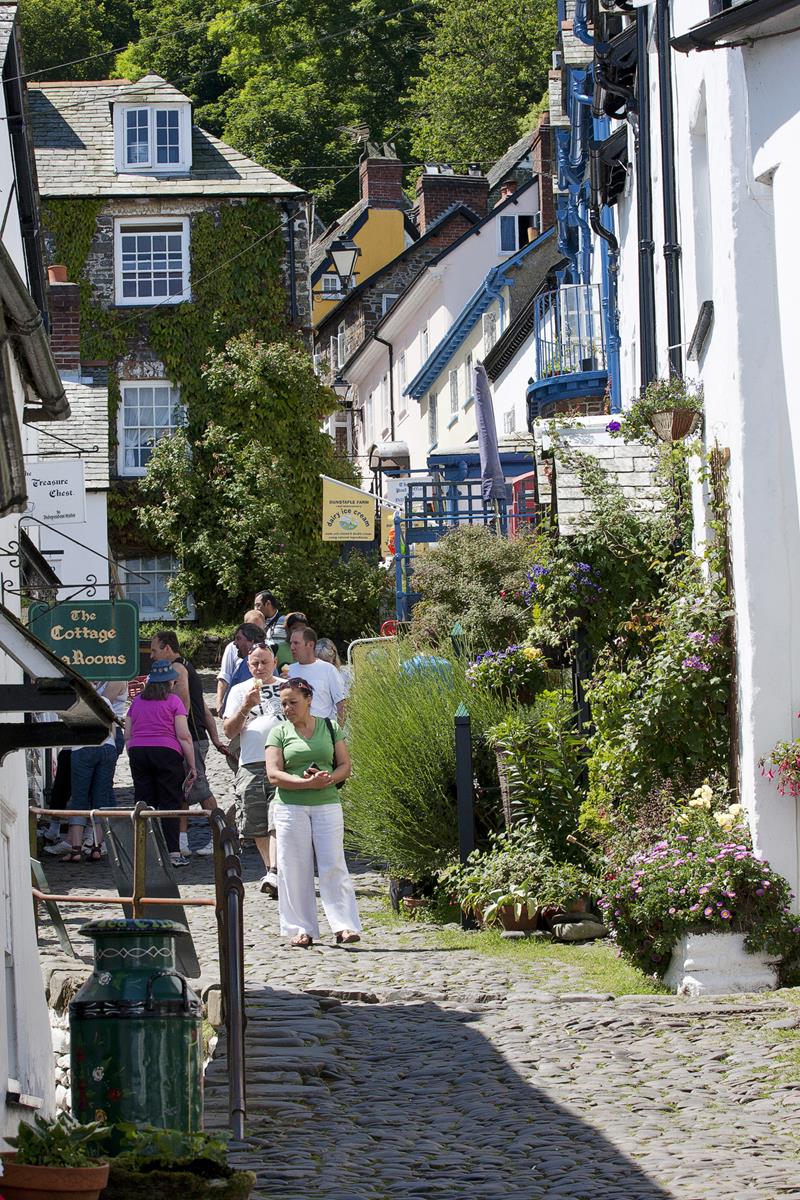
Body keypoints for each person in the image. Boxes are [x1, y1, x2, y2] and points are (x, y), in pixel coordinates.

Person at [266, 677, 361, 947]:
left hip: (327, 803)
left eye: (293, 702)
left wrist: (327, 778)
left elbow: (345, 765)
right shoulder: (279, 732)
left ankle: (343, 926)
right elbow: (273, 774)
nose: (287, 708)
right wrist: (306, 783)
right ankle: (300, 928)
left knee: (333, 863)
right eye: (283, 703)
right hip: (290, 806)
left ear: (309, 699)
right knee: (293, 867)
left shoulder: (330, 727)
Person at [150, 631, 228, 858]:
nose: (152, 656)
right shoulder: (186, 667)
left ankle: (222, 836)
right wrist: (214, 738)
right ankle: (182, 841)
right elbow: (203, 707)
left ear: (167, 648)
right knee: (181, 791)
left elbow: (181, 706)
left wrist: (172, 735)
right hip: (195, 736)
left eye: (155, 650)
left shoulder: (178, 669)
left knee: (200, 787)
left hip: (189, 738)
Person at [223, 643, 284, 897]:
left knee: (278, 819)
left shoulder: (286, 686)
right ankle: (272, 871)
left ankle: (278, 872)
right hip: (251, 763)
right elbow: (228, 731)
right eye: (255, 664)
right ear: (248, 666)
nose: (260, 668)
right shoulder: (238, 690)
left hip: (282, 762)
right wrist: (246, 705)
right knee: (256, 822)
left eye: (264, 662)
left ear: (274, 662)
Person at [125, 659, 197, 867]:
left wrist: (133, 754)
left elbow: (128, 734)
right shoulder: (174, 702)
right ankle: (174, 852)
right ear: (170, 683)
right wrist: (191, 765)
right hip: (167, 752)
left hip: (139, 752)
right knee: (170, 802)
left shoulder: (137, 701)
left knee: (144, 801)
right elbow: (184, 736)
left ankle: (145, 852)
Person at [62, 680, 127, 862]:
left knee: (79, 798)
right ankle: (97, 847)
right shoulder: (104, 701)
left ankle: (75, 849)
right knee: (101, 797)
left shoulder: (72, 703)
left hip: (82, 749)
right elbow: (113, 729)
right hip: (106, 748)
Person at [287, 626, 347, 725]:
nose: (292, 647)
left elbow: (342, 705)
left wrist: (337, 735)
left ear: (310, 644)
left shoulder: (328, 669)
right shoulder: (288, 670)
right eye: (291, 643)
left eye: (296, 643)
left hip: (323, 731)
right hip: (295, 732)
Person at [216, 612, 266, 714]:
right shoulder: (265, 659)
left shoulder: (251, 664)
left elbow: (245, 694)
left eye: (238, 638)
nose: (234, 643)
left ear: (251, 641)